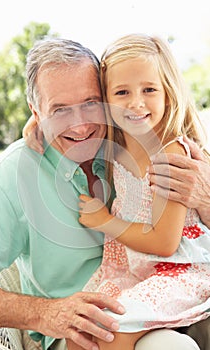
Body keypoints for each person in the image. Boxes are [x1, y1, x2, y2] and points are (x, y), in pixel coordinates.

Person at [0, 36, 209, 350]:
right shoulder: (15, 174)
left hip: (159, 293)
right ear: (35, 110)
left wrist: (205, 196)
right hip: (75, 325)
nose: (81, 125)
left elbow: (183, 233)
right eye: (60, 110)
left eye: (89, 103)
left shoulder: (124, 141)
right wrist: (47, 314)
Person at [76, 33, 210, 349]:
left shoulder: (171, 154)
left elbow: (165, 242)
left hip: (179, 273)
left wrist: (104, 221)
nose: (136, 102)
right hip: (132, 271)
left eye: (149, 90)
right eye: (122, 92)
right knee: (80, 331)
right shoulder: (118, 147)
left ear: (168, 93)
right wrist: (37, 125)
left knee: (111, 329)